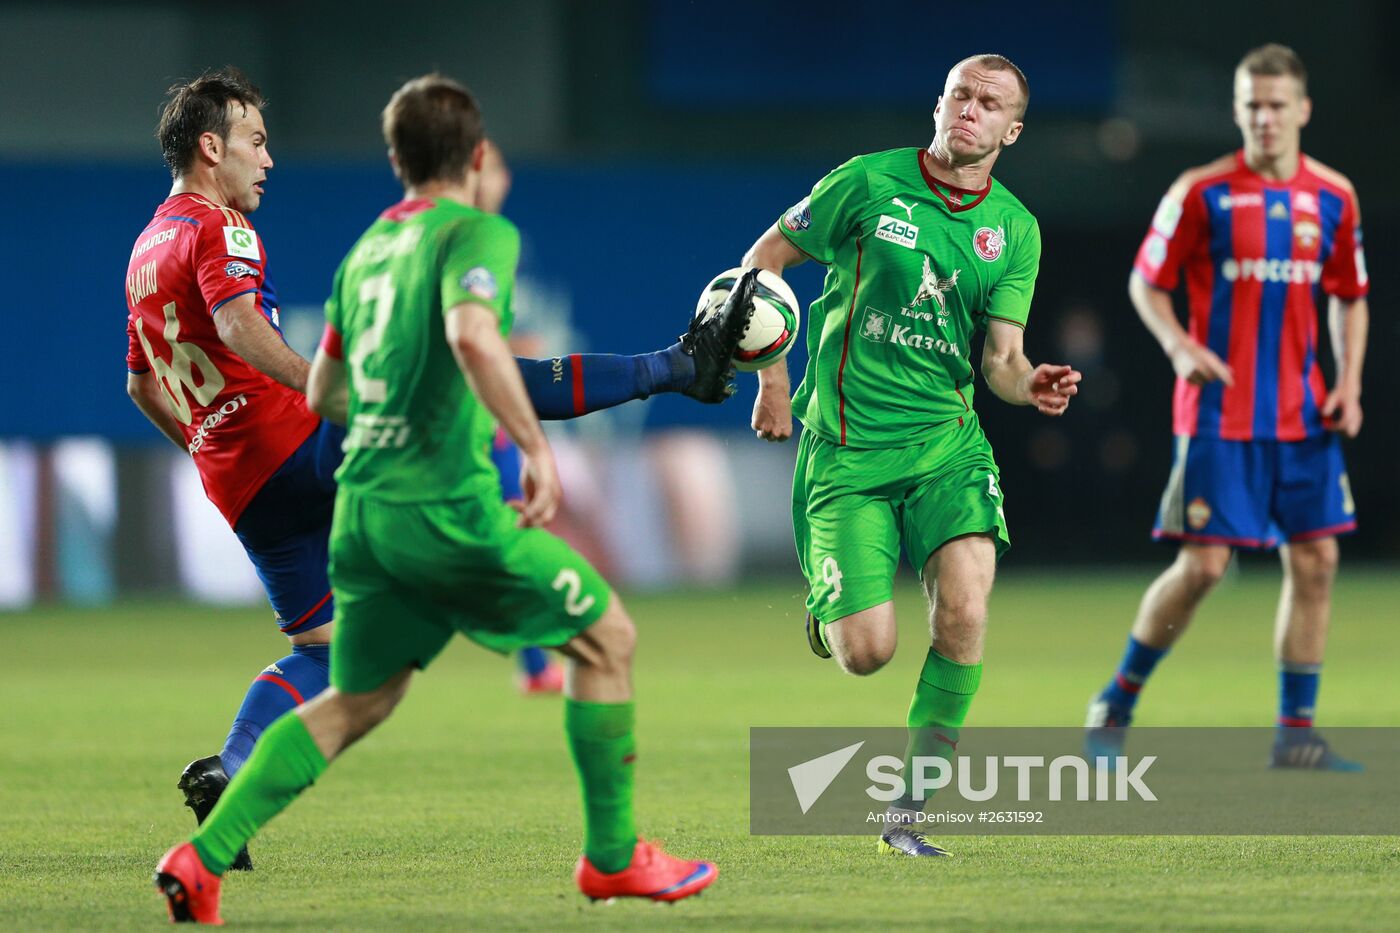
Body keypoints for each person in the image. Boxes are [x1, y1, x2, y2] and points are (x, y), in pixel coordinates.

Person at [125, 68, 750, 872]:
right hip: (301, 441)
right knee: (471, 373)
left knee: (327, 650)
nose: (267, 158)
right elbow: (242, 325)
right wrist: (331, 393)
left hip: (241, 486)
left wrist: (211, 454)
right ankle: (678, 366)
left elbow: (142, 383)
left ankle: (234, 771)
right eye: (254, 140)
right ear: (211, 148)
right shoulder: (221, 227)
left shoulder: (147, 246)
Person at [740, 54, 1081, 858]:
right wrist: (773, 382)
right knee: (869, 654)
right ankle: (832, 614)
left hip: (946, 450)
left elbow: (1000, 357)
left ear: (1012, 130)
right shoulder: (865, 183)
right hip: (848, 453)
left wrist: (1028, 382)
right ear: (939, 103)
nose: (971, 109)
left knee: (965, 611)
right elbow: (762, 263)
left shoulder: (1016, 230)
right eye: (961, 94)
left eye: (990, 103)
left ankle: (909, 811)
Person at [1085, 44, 1368, 770]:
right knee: (1206, 566)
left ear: (1302, 110)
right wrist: (1179, 346)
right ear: (1238, 110)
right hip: (1219, 413)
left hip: (1304, 415)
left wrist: (1349, 381)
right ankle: (1115, 702)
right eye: (1251, 105)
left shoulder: (1333, 196)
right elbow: (1147, 283)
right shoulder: (1201, 191)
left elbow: (1349, 295)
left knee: (1316, 560)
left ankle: (1295, 734)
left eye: (1276, 105)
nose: (1264, 118)